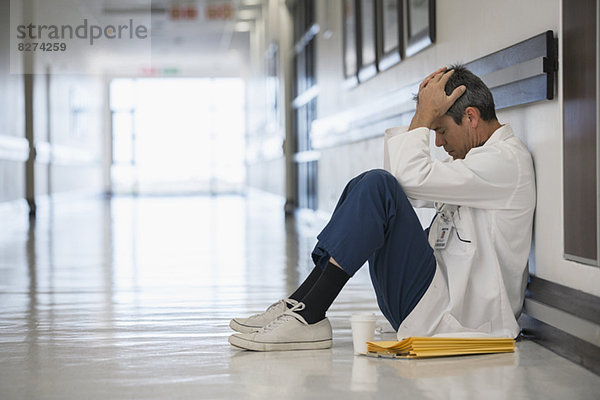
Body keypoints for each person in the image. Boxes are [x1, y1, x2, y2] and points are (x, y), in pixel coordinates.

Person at [228, 64, 536, 351]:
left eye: (441, 131)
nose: (439, 144)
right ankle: (301, 305)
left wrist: (423, 115)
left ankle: (310, 315)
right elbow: (403, 185)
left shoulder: (504, 161)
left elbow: (404, 181)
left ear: (470, 117)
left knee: (377, 185)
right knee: (364, 184)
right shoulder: (477, 161)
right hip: (432, 301)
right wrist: (424, 115)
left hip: (463, 320)